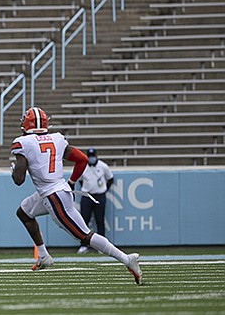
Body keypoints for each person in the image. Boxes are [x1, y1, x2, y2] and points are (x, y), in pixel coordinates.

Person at [9, 107, 142, 285]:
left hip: (53, 197)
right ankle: (43, 256)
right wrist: (71, 182)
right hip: (56, 191)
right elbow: (82, 160)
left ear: (26, 124)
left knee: (84, 236)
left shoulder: (23, 143)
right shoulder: (57, 138)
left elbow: (18, 180)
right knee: (24, 213)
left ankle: (126, 259)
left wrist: (14, 171)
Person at [75, 148, 114, 254]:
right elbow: (81, 181)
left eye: (93, 155)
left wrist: (103, 190)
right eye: (90, 156)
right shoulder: (83, 167)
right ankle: (83, 245)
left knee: (100, 220)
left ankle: (101, 246)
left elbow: (110, 178)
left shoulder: (103, 166)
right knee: (83, 221)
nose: (91, 157)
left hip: (99, 195)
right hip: (87, 196)